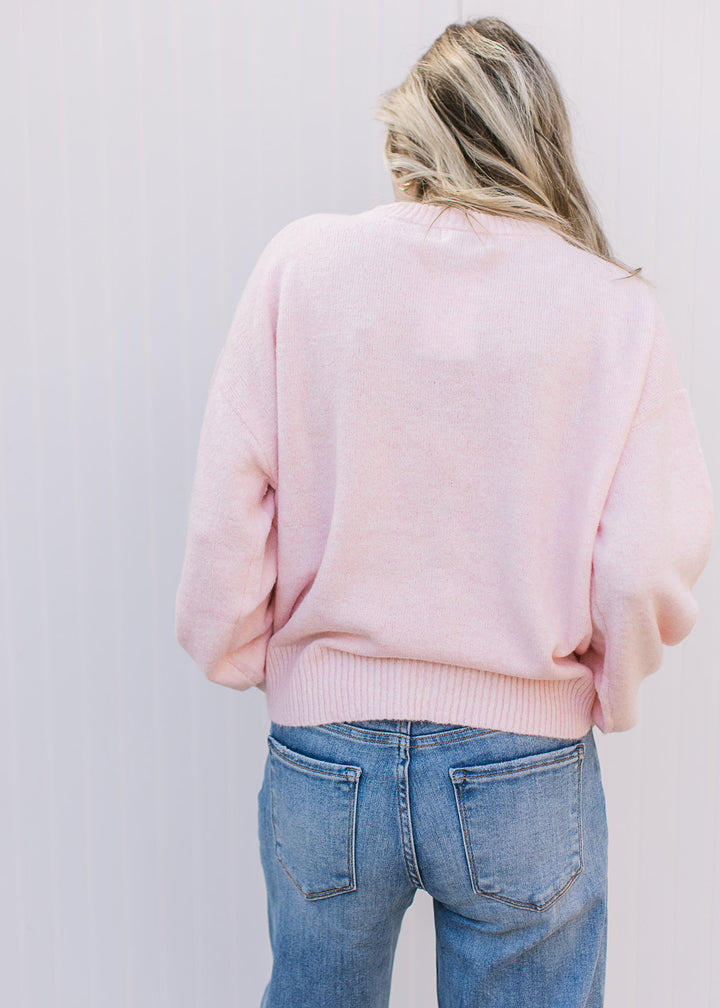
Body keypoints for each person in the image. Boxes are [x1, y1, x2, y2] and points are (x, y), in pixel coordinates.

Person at [174, 16, 714, 1008]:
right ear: (539, 139)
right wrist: (609, 692)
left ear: (410, 142)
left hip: (325, 756)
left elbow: (224, 510)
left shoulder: (302, 267)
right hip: (526, 765)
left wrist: (244, 655)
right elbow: (644, 564)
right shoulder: (610, 309)